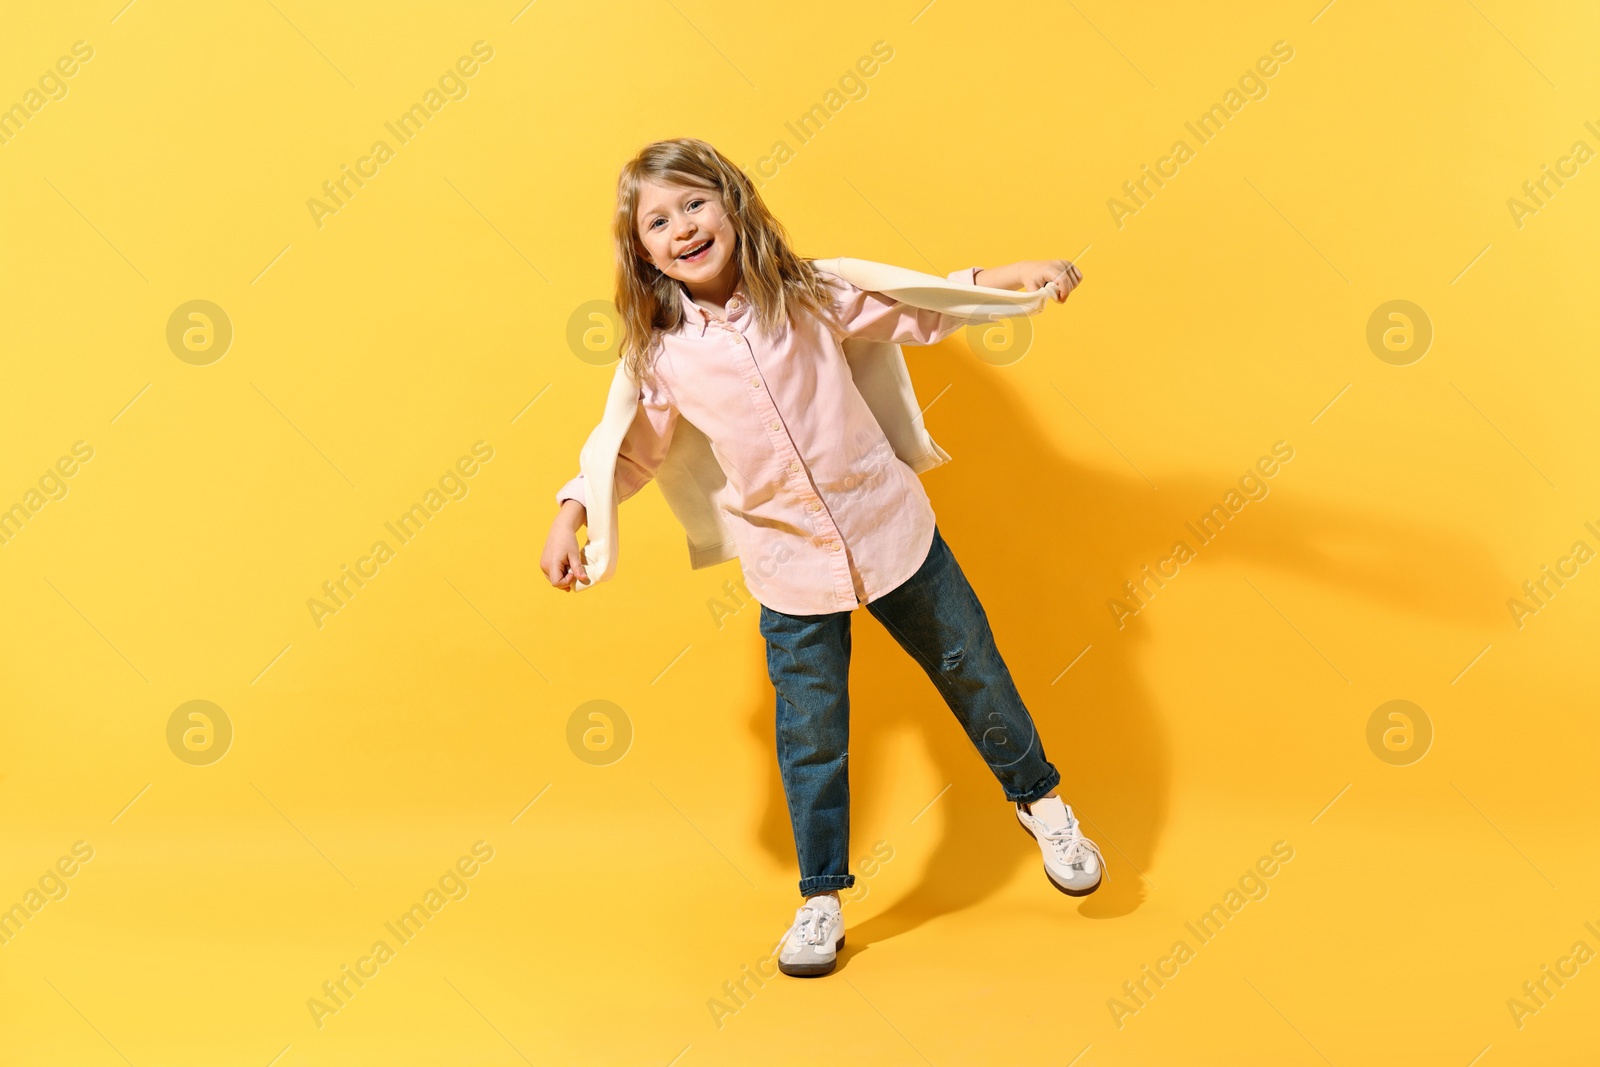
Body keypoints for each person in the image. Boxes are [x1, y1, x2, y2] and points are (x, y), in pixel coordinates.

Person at [540, 137, 1102, 978]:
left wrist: (1004, 277)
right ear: (642, 249)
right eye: (659, 220)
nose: (684, 227)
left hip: (890, 531)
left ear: (732, 203)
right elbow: (629, 449)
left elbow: (919, 304)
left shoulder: (807, 291)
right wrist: (574, 508)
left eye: (696, 203)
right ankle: (821, 897)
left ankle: (1042, 803)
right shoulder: (663, 354)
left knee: (974, 668)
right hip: (789, 565)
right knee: (811, 733)